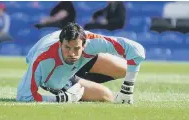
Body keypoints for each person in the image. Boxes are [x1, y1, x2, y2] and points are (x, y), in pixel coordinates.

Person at [16, 22, 145, 104]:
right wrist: (61, 99)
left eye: (76, 48)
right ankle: (75, 82)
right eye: (67, 47)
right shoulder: (43, 60)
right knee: (107, 96)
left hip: (83, 60)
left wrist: (128, 88)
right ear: (60, 44)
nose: (72, 53)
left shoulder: (91, 42)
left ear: (84, 45)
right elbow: (24, 96)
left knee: (125, 68)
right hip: (56, 74)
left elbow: (137, 51)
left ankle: (82, 78)